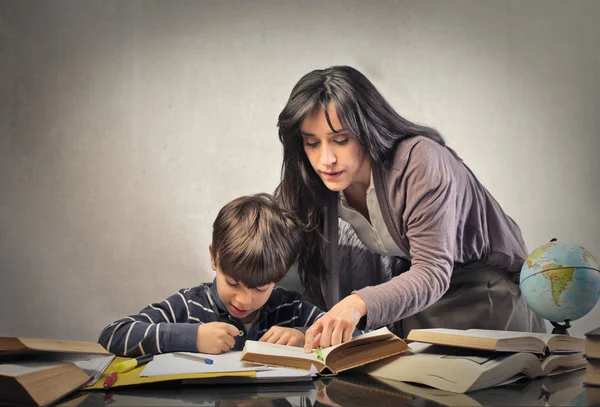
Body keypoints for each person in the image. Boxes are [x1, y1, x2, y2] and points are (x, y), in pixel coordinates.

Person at [274, 66, 546, 351]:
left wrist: (358, 303)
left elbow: (431, 271)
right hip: (415, 308)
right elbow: (271, 245)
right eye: (312, 143)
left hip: (486, 300)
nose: (325, 159)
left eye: (341, 140)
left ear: (368, 130)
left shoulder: (420, 161)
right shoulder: (313, 182)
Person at [98, 193, 325, 356]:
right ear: (214, 257)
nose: (244, 301)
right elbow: (114, 334)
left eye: (260, 288)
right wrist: (193, 337)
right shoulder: (189, 306)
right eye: (233, 283)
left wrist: (304, 335)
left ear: (280, 274)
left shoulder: (291, 308)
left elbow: (356, 336)